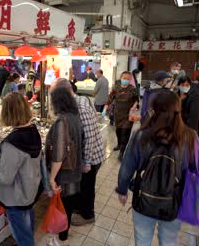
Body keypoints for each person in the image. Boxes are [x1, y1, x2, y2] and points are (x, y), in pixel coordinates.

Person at [116, 90, 199, 246]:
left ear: (153, 109)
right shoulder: (191, 137)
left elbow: (127, 167)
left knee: (142, 239)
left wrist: (122, 190)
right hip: (175, 201)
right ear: (178, 109)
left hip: (143, 198)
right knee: (169, 241)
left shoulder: (141, 135)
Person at [0, 92, 42, 246]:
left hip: (16, 198)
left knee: (22, 236)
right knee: (28, 223)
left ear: (7, 112)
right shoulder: (33, 131)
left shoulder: (12, 144)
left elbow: (5, 178)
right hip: (30, 190)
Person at [50, 78, 105, 226]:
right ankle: (79, 208)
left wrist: (86, 162)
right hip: (85, 156)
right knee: (82, 186)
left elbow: (90, 135)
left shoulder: (80, 106)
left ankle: (88, 215)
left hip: (91, 157)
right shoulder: (77, 101)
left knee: (87, 187)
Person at [45, 87, 83, 245]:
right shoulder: (75, 116)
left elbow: (59, 154)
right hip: (75, 169)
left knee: (63, 206)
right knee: (68, 204)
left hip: (65, 173)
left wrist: (52, 178)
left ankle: (61, 239)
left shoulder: (62, 122)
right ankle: (64, 234)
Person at [105, 71, 139, 157]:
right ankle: (119, 144)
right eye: (124, 78)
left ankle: (122, 152)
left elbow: (136, 101)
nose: (126, 80)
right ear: (121, 78)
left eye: (128, 79)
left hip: (128, 115)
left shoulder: (133, 89)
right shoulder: (116, 88)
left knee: (125, 133)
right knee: (118, 131)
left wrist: (133, 107)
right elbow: (110, 98)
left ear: (130, 79)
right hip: (118, 114)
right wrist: (105, 107)